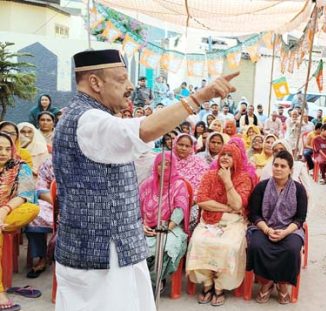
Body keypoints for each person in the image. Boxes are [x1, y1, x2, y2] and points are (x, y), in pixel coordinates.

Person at [53, 49, 238, 311]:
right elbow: (145, 129)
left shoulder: (85, 115)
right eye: (120, 80)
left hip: (110, 249)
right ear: (95, 83)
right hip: (101, 255)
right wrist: (201, 96)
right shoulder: (89, 119)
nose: (130, 87)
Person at [187, 143, 252, 306]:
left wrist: (227, 180)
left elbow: (238, 205)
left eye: (230, 155)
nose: (225, 157)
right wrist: (227, 208)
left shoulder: (244, 177)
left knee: (229, 246)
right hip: (209, 219)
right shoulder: (209, 175)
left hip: (234, 222)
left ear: (236, 158)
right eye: (223, 154)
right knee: (199, 242)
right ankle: (207, 283)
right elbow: (202, 200)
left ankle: (220, 286)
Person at [247, 151, 307, 304]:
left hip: (289, 229)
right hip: (264, 226)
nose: (278, 169)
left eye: (283, 166)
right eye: (276, 165)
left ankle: (282, 284)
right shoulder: (262, 187)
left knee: (292, 249)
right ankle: (266, 282)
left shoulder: (299, 190)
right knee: (257, 246)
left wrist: (285, 232)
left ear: (290, 169)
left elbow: (300, 218)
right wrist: (267, 230)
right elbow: (253, 215)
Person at [139, 151, 191, 289]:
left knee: (167, 248)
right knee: (138, 247)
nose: (163, 167)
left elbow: (180, 210)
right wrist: (141, 226)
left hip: (170, 228)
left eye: (167, 164)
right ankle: (143, 282)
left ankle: (155, 281)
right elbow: (136, 209)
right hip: (147, 227)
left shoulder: (179, 184)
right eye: (159, 164)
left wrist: (166, 227)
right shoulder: (147, 184)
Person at [0, 132, 40, 310]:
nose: (3, 152)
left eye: (8, 148)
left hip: (9, 212)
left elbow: (26, 194)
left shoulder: (20, 166)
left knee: (33, 208)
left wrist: (4, 210)